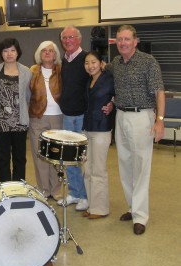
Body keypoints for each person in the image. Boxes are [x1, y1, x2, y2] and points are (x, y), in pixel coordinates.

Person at [107, 25, 165, 234]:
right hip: (121, 116)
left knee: (141, 167)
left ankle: (140, 216)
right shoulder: (116, 63)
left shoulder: (148, 62)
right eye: (119, 39)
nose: (122, 43)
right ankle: (132, 207)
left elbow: (159, 91)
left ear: (135, 41)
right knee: (125, 164)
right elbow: (106, 81)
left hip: (142, 117)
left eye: (126, 39)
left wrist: (159, 120)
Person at [57, 26, 113, 211]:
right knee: (69, 158)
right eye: (64, 38)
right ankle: (76, 193)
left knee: (85, 160)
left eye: (71, 37)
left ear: (79, 39)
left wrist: (112, 101)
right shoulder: (64, 60)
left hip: (83, 116)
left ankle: (88, 197)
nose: (67, 40)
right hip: (67, 115)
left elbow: (108, 83)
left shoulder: (88, 59)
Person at [0, 38, 32, 182]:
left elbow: (29, 97)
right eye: (5, 51)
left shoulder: (26, 72)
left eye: (12, 50)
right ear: (1, 53)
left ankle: (18, 188)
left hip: (20, 122)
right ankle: (4, 188)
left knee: (20, 158)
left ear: (18, 52)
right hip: (0, 123)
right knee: (2, 158)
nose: (9, 54)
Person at [82, 51, 115, 219]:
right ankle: (92, 204)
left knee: (99, 170)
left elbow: (119, 95)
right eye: (87, 63)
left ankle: (100, 209)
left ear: (101, 63)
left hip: (102, 128)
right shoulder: (89, 80)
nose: (90, 66)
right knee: (87, 169)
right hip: (87, 128)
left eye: (93, 62)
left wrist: (112, 103)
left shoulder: (109, 78)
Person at [29, 41, 63, 200]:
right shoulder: (32, 71)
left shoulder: (62, 70)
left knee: (56, 155)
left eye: (51, 51)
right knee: (40, 155)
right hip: (37, 117)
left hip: (58, 117)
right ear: (39, 54)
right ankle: (43, 189)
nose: (48, 53)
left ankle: (56, 190)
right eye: (44, 51)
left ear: (56, 54)